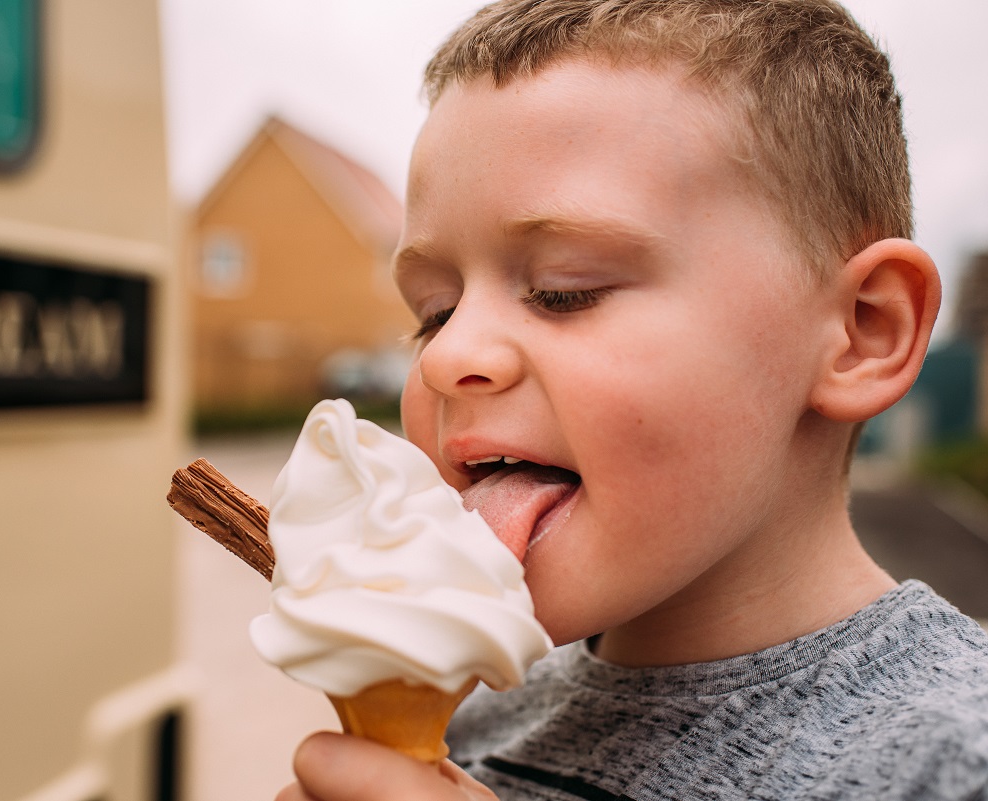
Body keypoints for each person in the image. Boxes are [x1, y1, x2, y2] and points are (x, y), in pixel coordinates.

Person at [278, 1, 988, 799]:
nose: (446, 355)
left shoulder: (953, 759)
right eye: (433, 313)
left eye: (562, 290)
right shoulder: (478, 719)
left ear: (863, 330)